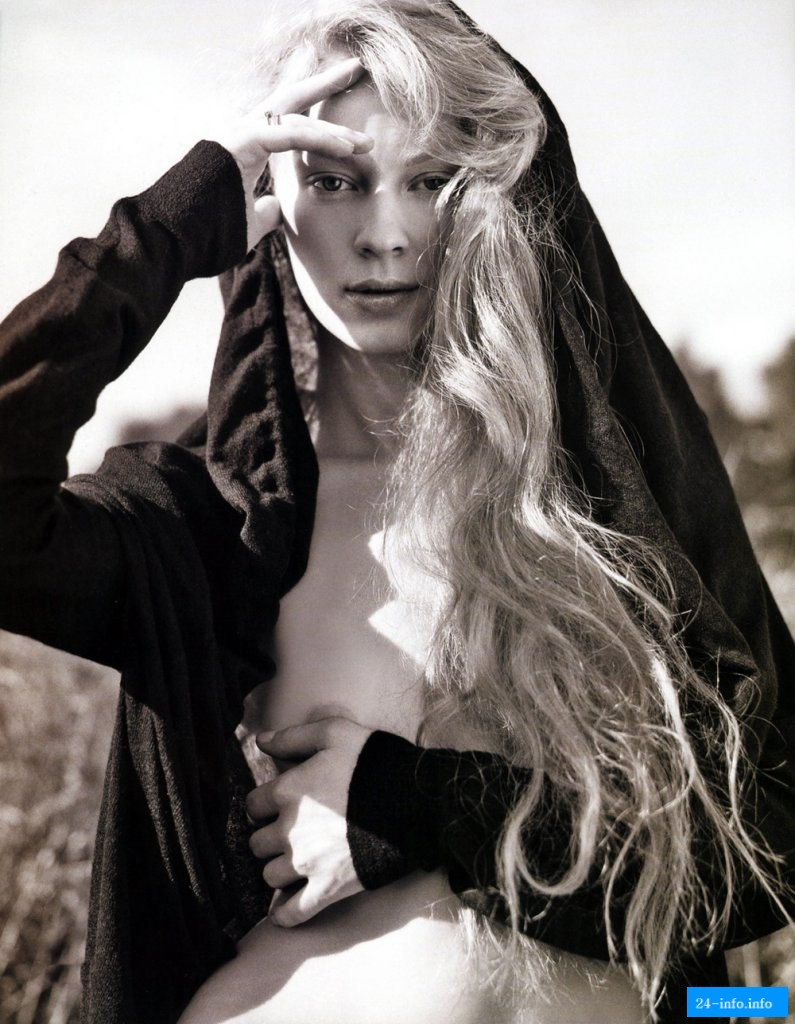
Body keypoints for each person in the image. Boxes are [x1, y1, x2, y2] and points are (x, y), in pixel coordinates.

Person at [0, 1, 793, 1022]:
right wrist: (161, 230)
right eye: (334, 181)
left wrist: (411, 803)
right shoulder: (211, 526)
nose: (385, 236)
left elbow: (770, 833)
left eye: (431, 180)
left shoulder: (598, 510)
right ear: (269, 194)